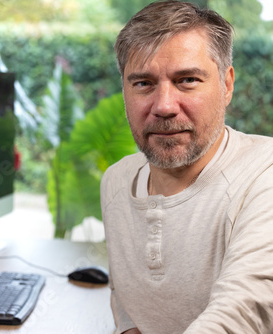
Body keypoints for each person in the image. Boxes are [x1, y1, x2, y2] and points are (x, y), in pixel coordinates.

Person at [100, 1, 273, 333]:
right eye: (142, 84)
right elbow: (129, 309)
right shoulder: (116, 182)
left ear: (226, 85)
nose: (164, 106)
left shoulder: (263, 175)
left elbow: (239, 315)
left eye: (188, 80)